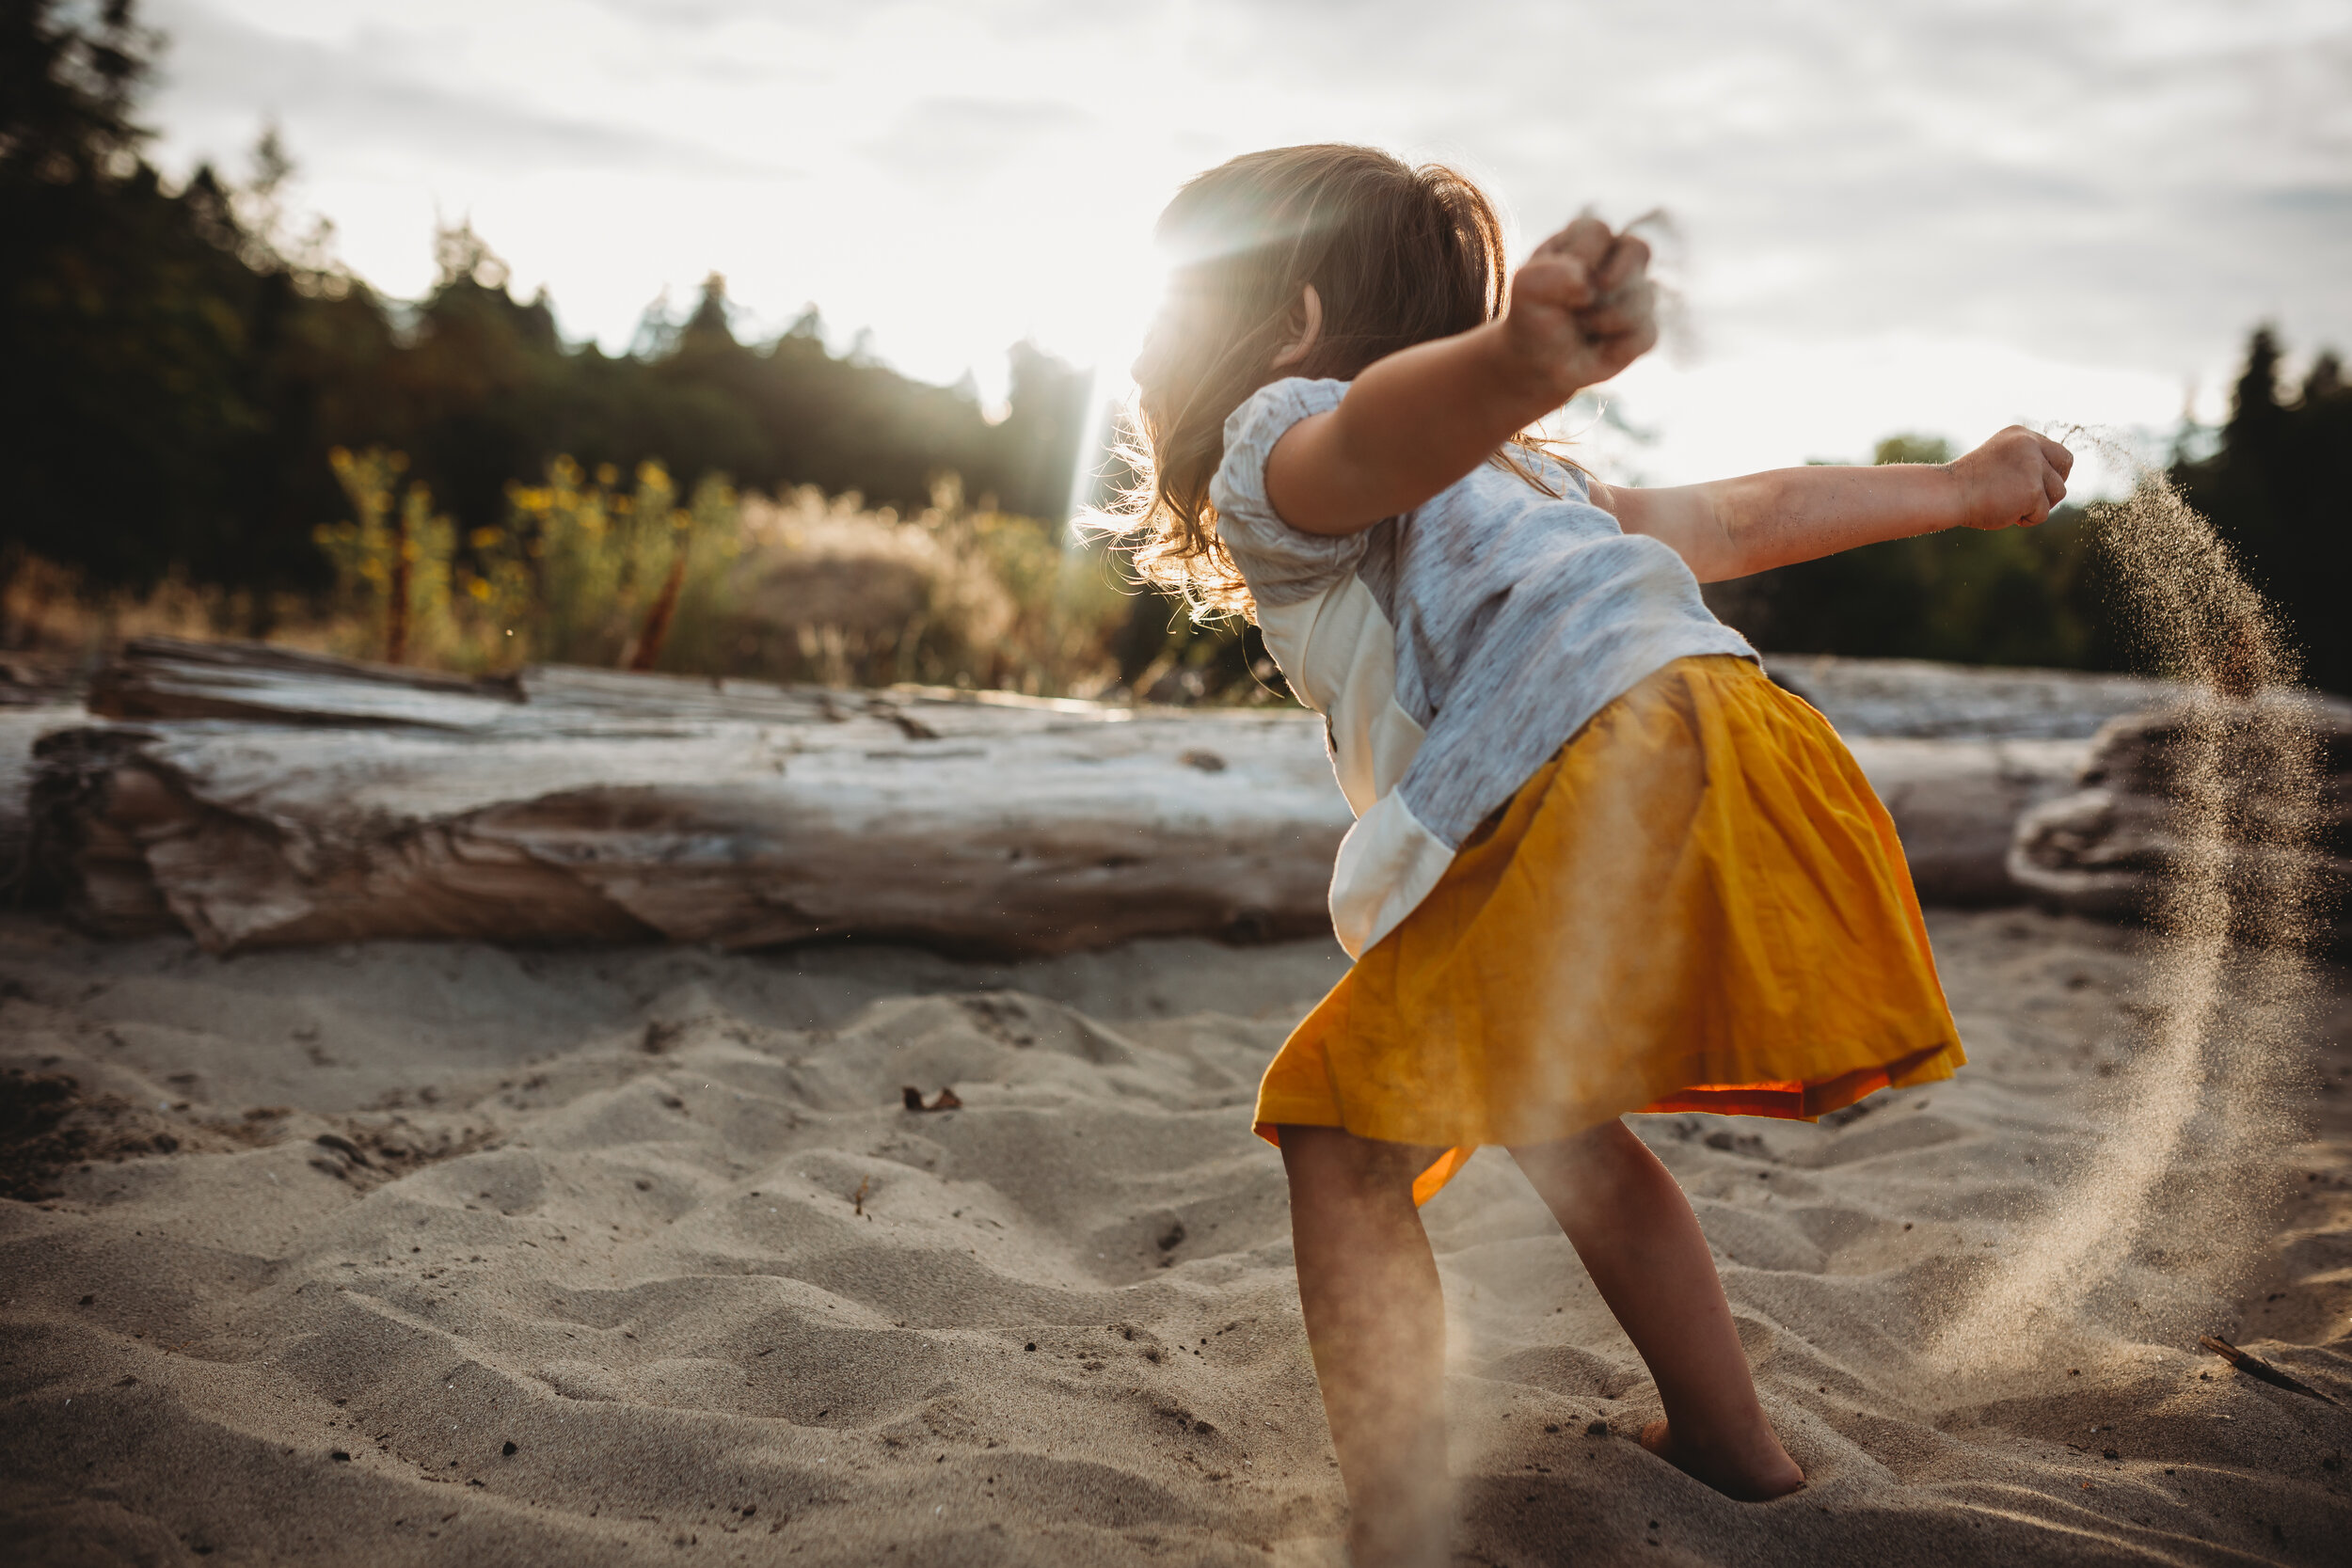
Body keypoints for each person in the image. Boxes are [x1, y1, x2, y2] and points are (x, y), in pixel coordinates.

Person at [1102, 144, 2073, 1567]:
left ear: (1290, 323)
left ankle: (1396, 1527)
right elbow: (1740, 520)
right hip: (1734, 728)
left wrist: (1513, 362)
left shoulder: (1283, 442)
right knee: (1558, 1122)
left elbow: (1374, 432)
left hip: (1589, 754)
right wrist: (1956, 487)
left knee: (1336, 1136)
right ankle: (1734, 1449)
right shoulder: (1518, 484)